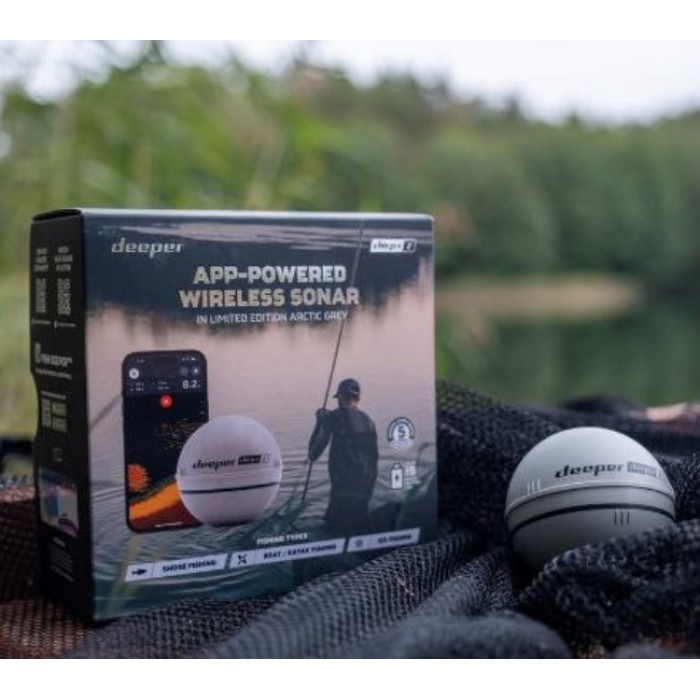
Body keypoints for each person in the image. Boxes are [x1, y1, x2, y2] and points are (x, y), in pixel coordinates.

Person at [308, 378, 378, 532]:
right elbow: (374, 459)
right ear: (358, 398)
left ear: (340, 397)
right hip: (365, 491)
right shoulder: (370, 422)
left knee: (332, 532)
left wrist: (319, 422)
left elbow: (313, 454)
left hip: (342, 491)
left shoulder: (334, 417)